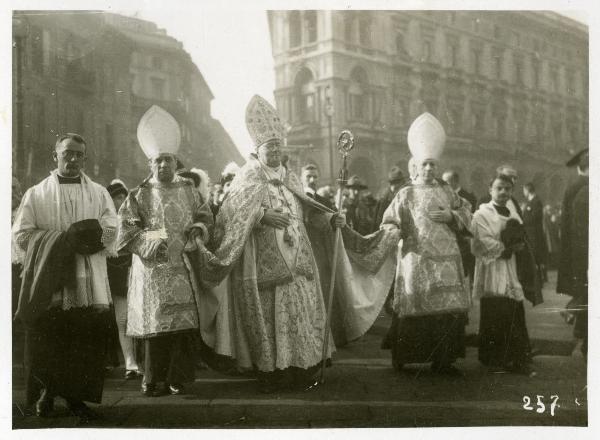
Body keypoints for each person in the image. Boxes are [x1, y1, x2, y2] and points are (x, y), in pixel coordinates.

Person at [194, 95, 397, 392]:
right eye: (269, 146)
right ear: (257, 150)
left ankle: (302, 369)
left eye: (278, 146)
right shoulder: (246, 180)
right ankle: (272, 373)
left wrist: (330, 221)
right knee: (270, 321)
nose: (275, 151)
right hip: (263, 267)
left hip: (299, 263)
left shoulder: (291, 179)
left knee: (300, 316)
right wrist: (262, 216)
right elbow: (229, 215)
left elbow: (309, 212)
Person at [12, 133, 117, 421]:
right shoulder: (36, 193)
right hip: (51, 279)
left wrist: (93, 239)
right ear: (55, 155)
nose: (73, 159)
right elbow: (21, 235)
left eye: (79, 154)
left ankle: (76, 399)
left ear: (85, 158)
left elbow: (111, 225)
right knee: (49, 342)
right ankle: (46, 395)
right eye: (67, 153)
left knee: (82, 342)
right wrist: (58, 241)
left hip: (86, 278)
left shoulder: (98, 193)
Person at [117, 105, 213, 397]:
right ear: (150, 164)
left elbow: (205, 215)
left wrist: (197, 228)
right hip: (153, 270)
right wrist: (149, 240)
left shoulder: (189, 189)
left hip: (182, 266)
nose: (163, 166)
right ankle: (152, 379)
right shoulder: (139, 193)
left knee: (181, 330)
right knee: (155, 329)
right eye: (158, 161)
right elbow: (125, 231)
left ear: (175, 161)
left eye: (168, 160)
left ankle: (177, 379)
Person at [380, 113, 472, 376]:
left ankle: (444, 360)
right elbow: (389, 220)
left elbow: (467, 211)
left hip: (447, 261)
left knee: (446, 311)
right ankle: (406, 358)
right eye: (425, 165)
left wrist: (451, 216)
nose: (430, 169)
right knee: (417, 305)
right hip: (417, 260)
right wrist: (395, 232)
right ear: (417, 166)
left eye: (433, 164)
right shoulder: (406, 193)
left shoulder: (446, 191)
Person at [471, 175, 536, 376]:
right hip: (493, 267)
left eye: (508, 189)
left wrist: (519, 244)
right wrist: (506, 247)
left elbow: (520, 236)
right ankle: (494, 357)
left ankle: (516, 356)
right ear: (490, 189)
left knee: (514, 308)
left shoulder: (513, 215)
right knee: (496, 308)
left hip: (510, 266)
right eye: (499, 188)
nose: (503, 193)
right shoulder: (481, 214)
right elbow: (479, 242)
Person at [106, 181, 142, 380]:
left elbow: (155, 234)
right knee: (123, 319)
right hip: (118, 276)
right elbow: (103, 244)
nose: (120, 201)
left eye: (123, 197)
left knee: (138, 317)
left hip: (137, 272)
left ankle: (140, 361)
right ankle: (130, 363)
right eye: (116, 197)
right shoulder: (106, 222)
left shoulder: (135, 218)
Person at [556, 148, 589, 360]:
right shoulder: (585, 187)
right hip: (584, 252)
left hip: (575, 252)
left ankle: (574, 312)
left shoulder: (573, 186)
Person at [442, 169, 477, 281]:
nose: (443, 185)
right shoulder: (443, 197)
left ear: (455, 182)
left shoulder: (468, 197)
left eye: (446, 182)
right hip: (448, 241)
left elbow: (471, 219)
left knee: (465, 275)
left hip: (465, 242)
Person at [522, 182, 549, 282]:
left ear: (528, 190)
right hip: (530, 234)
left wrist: (522, 221)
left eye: (524, 190)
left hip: (534, 235)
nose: (523, 193)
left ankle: (539, 278)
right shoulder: (531, 202)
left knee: (536, 257)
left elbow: (534, 217)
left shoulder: (536, 201)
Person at [373, 166, 406, 230]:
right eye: (392, 183)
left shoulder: (404, 197)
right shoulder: (384, 200)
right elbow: (377, 223)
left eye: (397, 183)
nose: (394, 187)